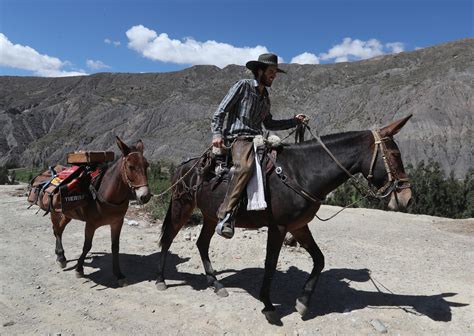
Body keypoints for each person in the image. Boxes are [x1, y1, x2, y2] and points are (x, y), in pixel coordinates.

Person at [211, 53, 307, 239]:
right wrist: (217, 133)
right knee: (245, 167)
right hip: (237, 138)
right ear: (260, 71)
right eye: (271, 71)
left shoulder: (265, 97)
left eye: (275, 72)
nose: (274, 76)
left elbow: (269, 124)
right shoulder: (243, 86)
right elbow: (220, 111)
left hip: (258, 139)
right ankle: (226, 215)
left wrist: (294, 121)